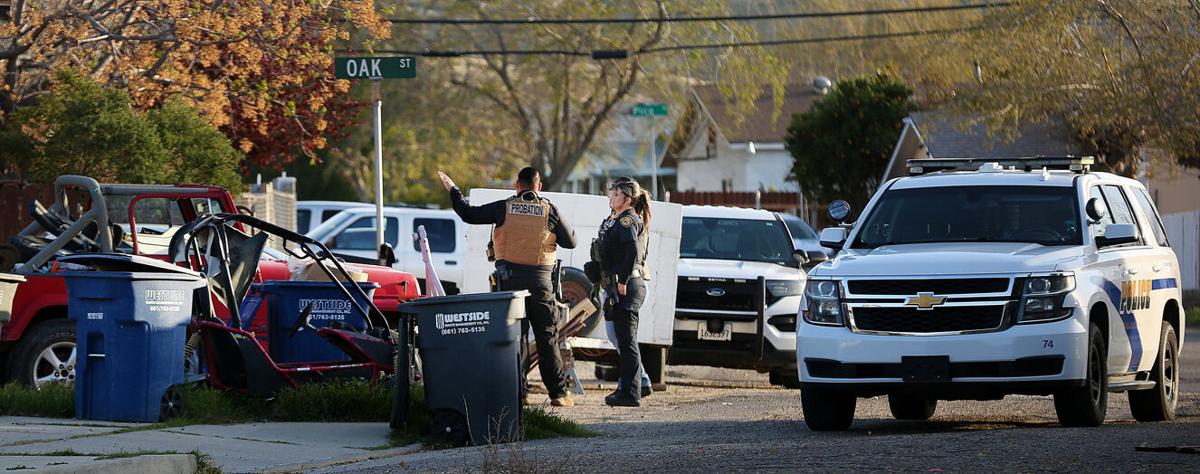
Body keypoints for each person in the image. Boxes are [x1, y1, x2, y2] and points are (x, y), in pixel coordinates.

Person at [438, 167, 577, 407]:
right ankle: (558, 394)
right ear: (539, 186)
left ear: (517, 185)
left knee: (515, 339)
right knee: (547, 338)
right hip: (541, 284)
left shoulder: (504, 207)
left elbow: (468, 214)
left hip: (509, 283)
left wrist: (453, 190)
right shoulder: (550, 210)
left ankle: (518, 394)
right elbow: (571, 241)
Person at [593, 177, 651, 407]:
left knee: (627, 342)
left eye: (616, 194)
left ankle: (630, 393)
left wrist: (623, 281)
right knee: (622, 340)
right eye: (611, 193)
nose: (611, 197)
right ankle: (629, 387)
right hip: (617, 285)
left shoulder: (628, 220)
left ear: (627, 199)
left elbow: (632, 252)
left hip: (627, 286)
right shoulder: (616, 219)